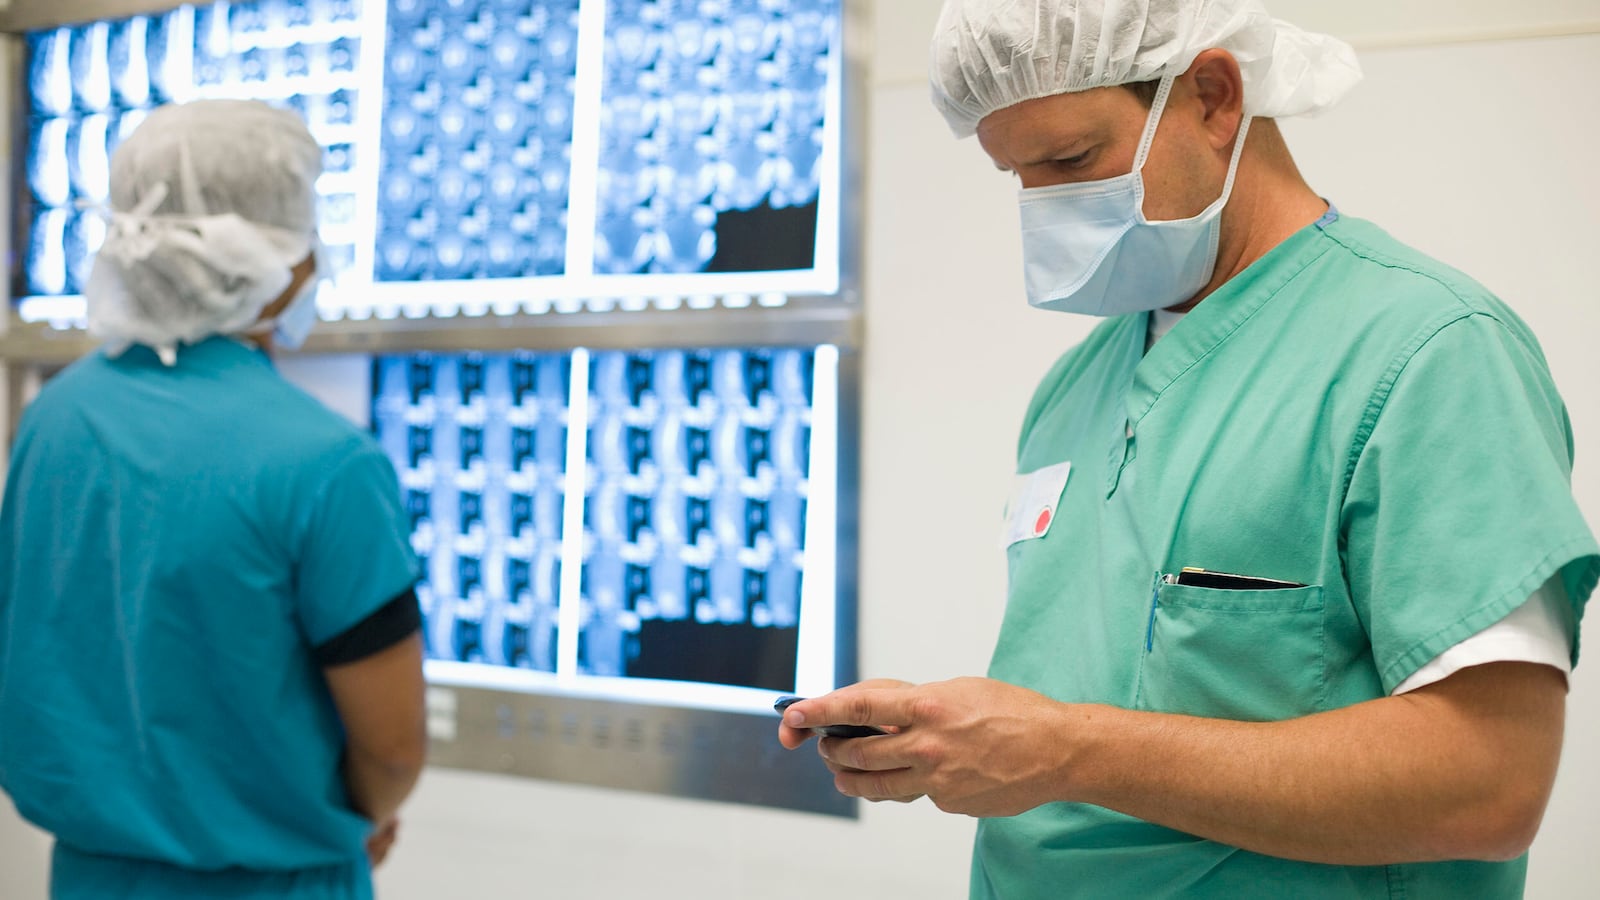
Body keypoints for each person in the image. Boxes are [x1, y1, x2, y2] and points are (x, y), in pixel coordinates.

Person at [778, 1, 1597, 897]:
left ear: (1213, 97)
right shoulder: (1077, 385)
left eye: (1072, 161)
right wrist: (957, 739)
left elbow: (1489, 787)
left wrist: (1066, 753)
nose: (1044, 207)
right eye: (1016, 175)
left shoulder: (1430, 352)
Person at [0, 99, 426, 900]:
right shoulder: (324, 464)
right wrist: (367, 814)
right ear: (279, 258)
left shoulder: (51, 421)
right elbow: (394, 748)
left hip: (90, 880)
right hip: (276, 883)